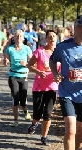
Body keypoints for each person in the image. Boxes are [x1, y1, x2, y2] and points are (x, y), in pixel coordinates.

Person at [49, 15, 82, 150]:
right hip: (67, 93)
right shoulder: (63, 46)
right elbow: (52, 60)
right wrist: (56, 74)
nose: (81, 29)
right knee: (70, 130)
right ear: (74, 28)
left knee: (80, 132)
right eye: (79, 26)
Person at [27, 30, 59, 145]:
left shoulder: (59, 52)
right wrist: (39, 72)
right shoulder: (40, 51)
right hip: (39, 87)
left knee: (47, 114)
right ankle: (34, 123)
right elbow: (29, 65)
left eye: (54, 36)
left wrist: (60, 76)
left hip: (52, 87)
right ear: (46, 39)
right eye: (49, 37)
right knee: (37, 113)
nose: (52, 38)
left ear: (57, 38)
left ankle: (44, 137)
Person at [4, 30, 32, 127]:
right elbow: (6, 60)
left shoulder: (27, 49)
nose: (18, 37)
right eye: (17, 36)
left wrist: (26, 64)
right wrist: (6, 61)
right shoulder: (10, 49)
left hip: (24, 75)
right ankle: (15, 120)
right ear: (14, 38)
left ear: (23, 38)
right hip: (13, 75)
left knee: (23, 99)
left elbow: (33, 63)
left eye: (20, 36)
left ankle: (25, 112)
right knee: (15, 98)